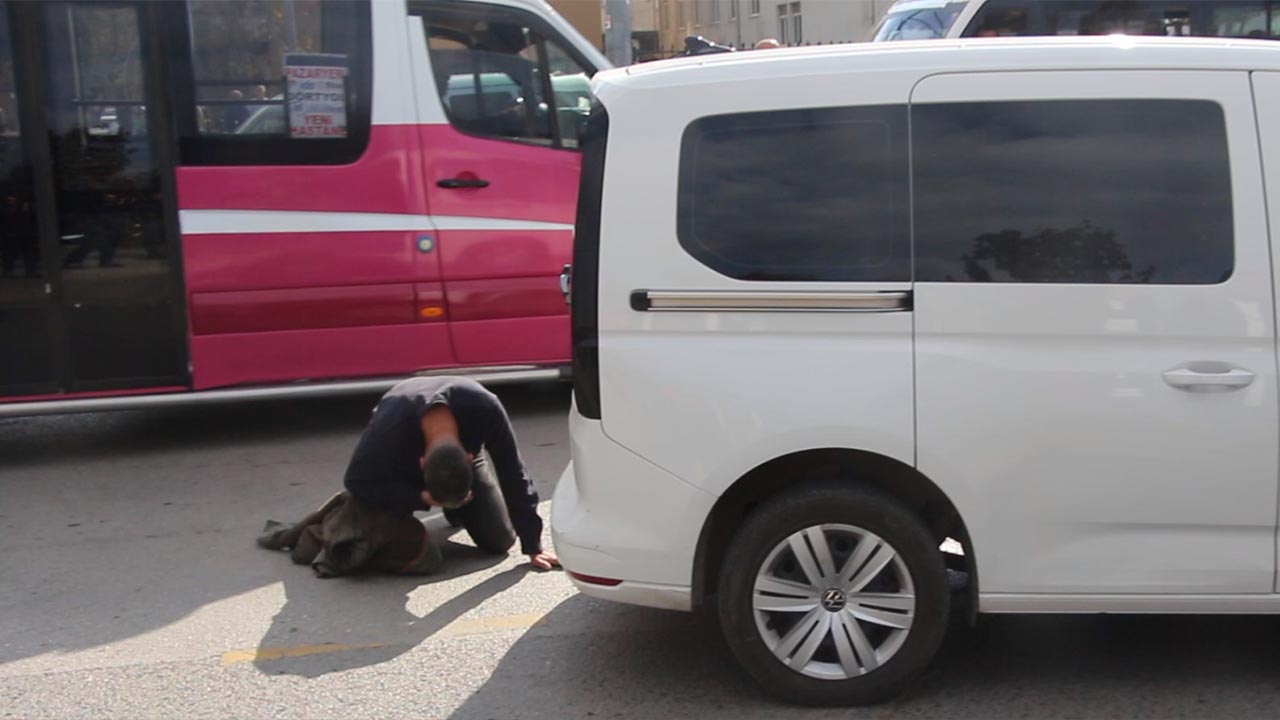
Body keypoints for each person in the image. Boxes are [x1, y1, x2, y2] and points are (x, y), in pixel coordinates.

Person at [258, 376, 559, 577]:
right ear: (420, 463)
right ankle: (452, 505)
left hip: (452, 456)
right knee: (418, 552)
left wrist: (533, 545)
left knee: (500, 542)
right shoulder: (387, 435)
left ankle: (462, 509)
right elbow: (356, 482)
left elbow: (514, 473)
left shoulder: (486, 408)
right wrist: (417, 498)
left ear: (470, 458)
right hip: (400, 462)